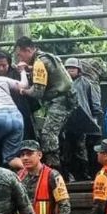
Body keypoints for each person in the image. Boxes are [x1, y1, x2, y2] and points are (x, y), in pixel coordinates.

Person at [14, 36, 76, 172]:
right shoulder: (45, 58)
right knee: (57, 134)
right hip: (66, 98)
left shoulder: (39, 63)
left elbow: (37, 92)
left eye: (20, 54)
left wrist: (24, 91)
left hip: (61, 100)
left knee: (48, 134)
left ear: (28, 50)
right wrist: (28, 69)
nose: (20, 59)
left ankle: (54, 169)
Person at [61, 57, 104, 182]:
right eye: (67, 68)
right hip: (67, 121)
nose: (70, 71)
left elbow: (94, 102)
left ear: (79, 70)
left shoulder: (85, 83)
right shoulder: (63, 83)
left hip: (83, 120)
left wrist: (94, 117)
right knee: (67, 149)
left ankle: (84, 174)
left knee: (82, 149)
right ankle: (70, 174)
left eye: (73, 68)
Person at [0, 50, 38, 142]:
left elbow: (26, 87)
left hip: (20, 112)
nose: (1, 68)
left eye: (4, 65)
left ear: (9, 64)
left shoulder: (17, 74)